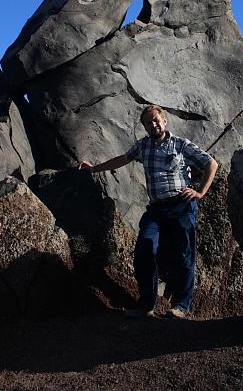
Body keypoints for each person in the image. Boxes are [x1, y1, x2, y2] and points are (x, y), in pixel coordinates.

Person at [78, 104, 218, 319]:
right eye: (148, 122)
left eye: (156, 120)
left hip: (181, 205)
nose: (153, 124)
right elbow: (123, 159)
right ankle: (146, 305)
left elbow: (211, 163)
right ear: (144, 126)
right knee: (145, 248)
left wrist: (200, 192)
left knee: (184, 255)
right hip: (156, 209)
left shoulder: (181, 145)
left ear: (164, 120)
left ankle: (181, 306)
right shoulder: (143, 146)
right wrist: (93, 168)